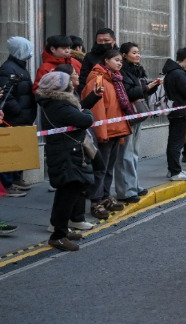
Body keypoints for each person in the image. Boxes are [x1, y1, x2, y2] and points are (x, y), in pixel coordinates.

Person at [36, 71, 102, 251]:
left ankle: (62, 228)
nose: (74, 82)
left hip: (67, 152)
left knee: (67, 193)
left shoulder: (55, 103)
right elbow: (84, 119)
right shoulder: (59, 105)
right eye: (69, 80)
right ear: (62, 87)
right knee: (67, 194)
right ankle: (58, 236)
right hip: (67, 155)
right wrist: (87, 112)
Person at [83, 48, 133, 219]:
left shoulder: (115, 79)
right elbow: (96, 110)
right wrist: (101, 133)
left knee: (109, 168)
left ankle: (105, 197)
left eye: (121, 60)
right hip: (105, 132)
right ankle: (96, 201)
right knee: (100, 169)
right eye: (116, 60)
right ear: (106, 61)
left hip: (116, 130)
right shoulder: (98, 79)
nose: (120, 63)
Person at [114, 42, 162, 203]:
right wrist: (146, 86)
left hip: (137, 114)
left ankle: (133, 185)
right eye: (134, 52)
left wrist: (152, 86)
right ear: (124, 55)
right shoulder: (122, 73)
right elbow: (127, 94)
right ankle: (125, 190)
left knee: (133, 152)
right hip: (127, 114)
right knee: (125, 154)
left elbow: (141, 91)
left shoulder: (137, 70)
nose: (138, 55)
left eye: (139, 52)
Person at [0, 36, 37, 195]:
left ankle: (16, 177)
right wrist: (18, 110)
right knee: (11, 151)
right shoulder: (9, 68)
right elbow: (6, 94)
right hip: (14, 117)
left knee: (20, 150)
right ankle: (8, 183)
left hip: (23, 116)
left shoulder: (19, 67)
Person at [164, 48, 186, 181]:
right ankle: (175, 172)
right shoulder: (178, 73)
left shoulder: (172, 72)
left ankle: (173, 169)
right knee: (176, 143)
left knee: (173, 142)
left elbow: (181, 88)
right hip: (180, 112)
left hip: (175, 110)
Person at [77, 28, 117, 94]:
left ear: (114, 40)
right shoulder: (90, 57)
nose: (103, 43)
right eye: (100, 40)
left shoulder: (121, 55)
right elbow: (83, 79)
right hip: (97, 92)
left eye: (106, 40)